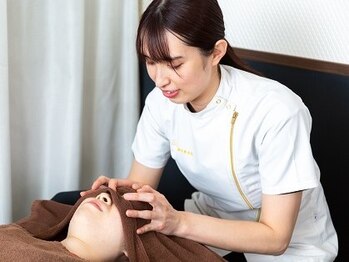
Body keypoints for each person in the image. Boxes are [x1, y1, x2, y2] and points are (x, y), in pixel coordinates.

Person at [82, 0, 338, 261]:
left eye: (174, 64)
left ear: (216, 52)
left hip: (293, 243)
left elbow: (276, 236)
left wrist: (178, 222)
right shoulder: (161, 102)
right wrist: (118, 196)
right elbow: (140, 190)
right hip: (209, 220)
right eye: (150, 61)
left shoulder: (277, 110)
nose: (159, 80)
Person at [0, 187, 226, 262]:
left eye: (121, 205)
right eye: (103, 194)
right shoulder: (15, 234)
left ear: (132, 247)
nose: (104, 197)